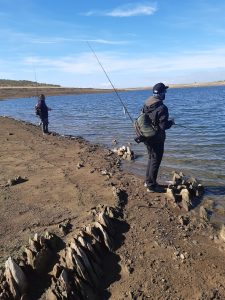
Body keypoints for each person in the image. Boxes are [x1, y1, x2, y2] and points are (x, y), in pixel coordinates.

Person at [142, 82, 175, 192]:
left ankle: (149, 182)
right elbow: (163, 126)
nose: (165, 93)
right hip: (156, 138)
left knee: (151, 158)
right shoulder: (162, 107)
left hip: (146, 136)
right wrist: (171, 122)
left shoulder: (146, 103)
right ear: (160, 94)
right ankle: (151, 186)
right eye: (164, 91)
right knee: (155, 160)